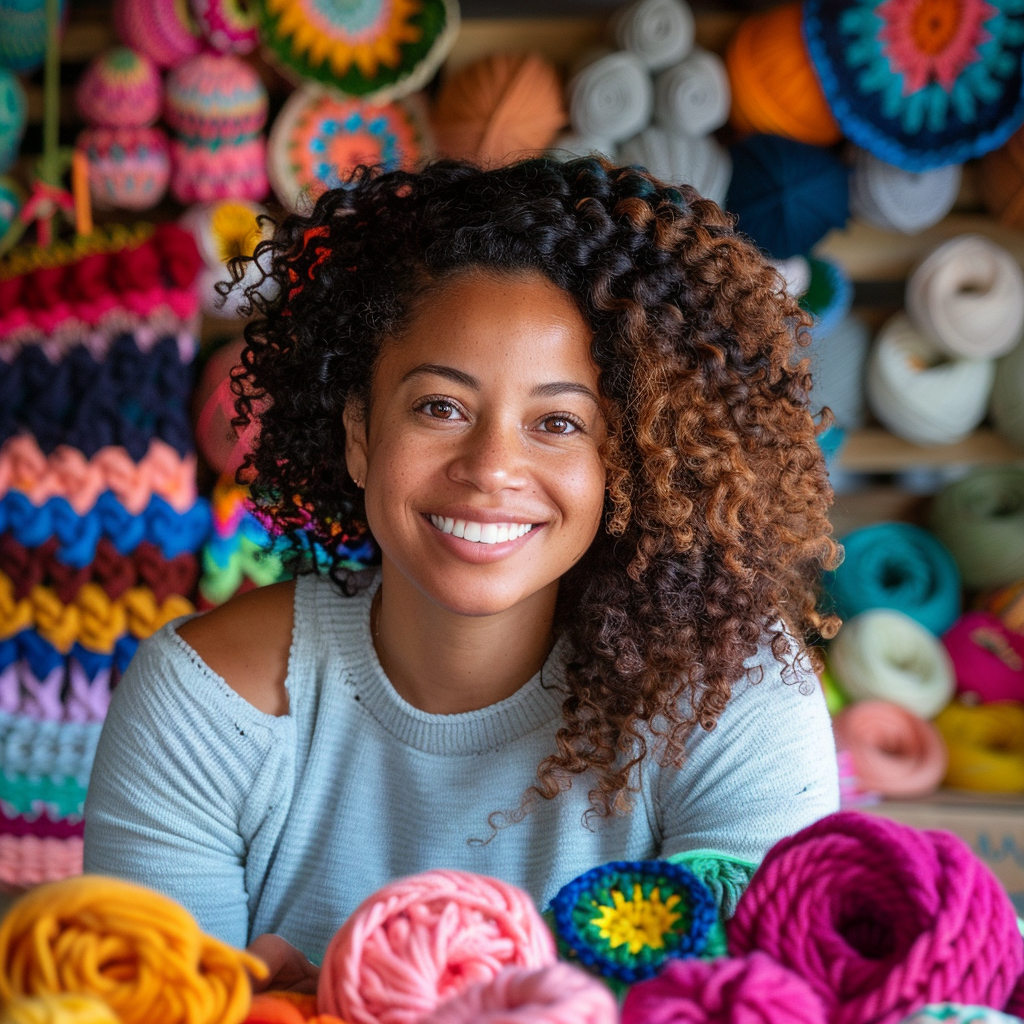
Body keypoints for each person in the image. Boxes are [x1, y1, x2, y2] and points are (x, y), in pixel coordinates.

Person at [83, 158, 841, 991]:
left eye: (558, 422)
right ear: (361, 434)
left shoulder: (731, 694)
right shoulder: (206, 705)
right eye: (440, 407)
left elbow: (754, 1008)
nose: (491, 469)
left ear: (626, 465)